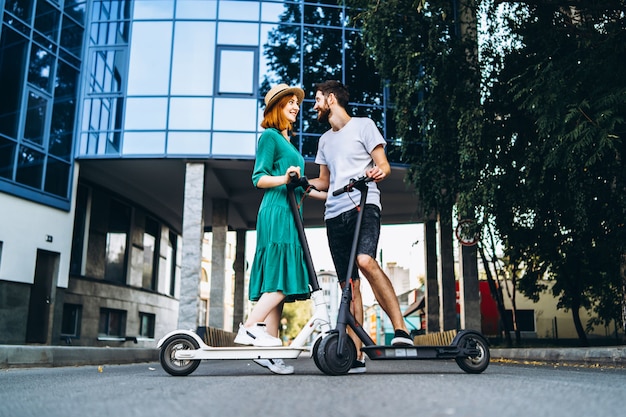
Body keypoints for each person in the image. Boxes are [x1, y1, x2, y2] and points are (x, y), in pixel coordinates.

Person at [308, 80, 414, 374]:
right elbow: (325, 183)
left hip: (363, 205)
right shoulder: (324, 141)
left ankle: (401, 330)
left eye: (317, 99)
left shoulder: (364, 125)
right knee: (348, 287)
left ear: (331, 99)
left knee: (365, 261)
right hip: (334, 215)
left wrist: (378, 171)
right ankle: (353, 357)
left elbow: (384, 164)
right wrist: (302, 184)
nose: (314, 105)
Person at [234, 83, 324, 375]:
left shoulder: (289, 143)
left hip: (290, 212)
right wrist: (285, 178)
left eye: (297, 103)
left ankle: (269, 349)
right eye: (289, 102)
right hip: (276, 211)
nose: (296, 106)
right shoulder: (270, 137)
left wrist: (329, 192)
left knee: (279, 281)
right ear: (276, 108)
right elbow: (258, 178)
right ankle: (249, 328)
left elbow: (300, 185)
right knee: (280, 280)